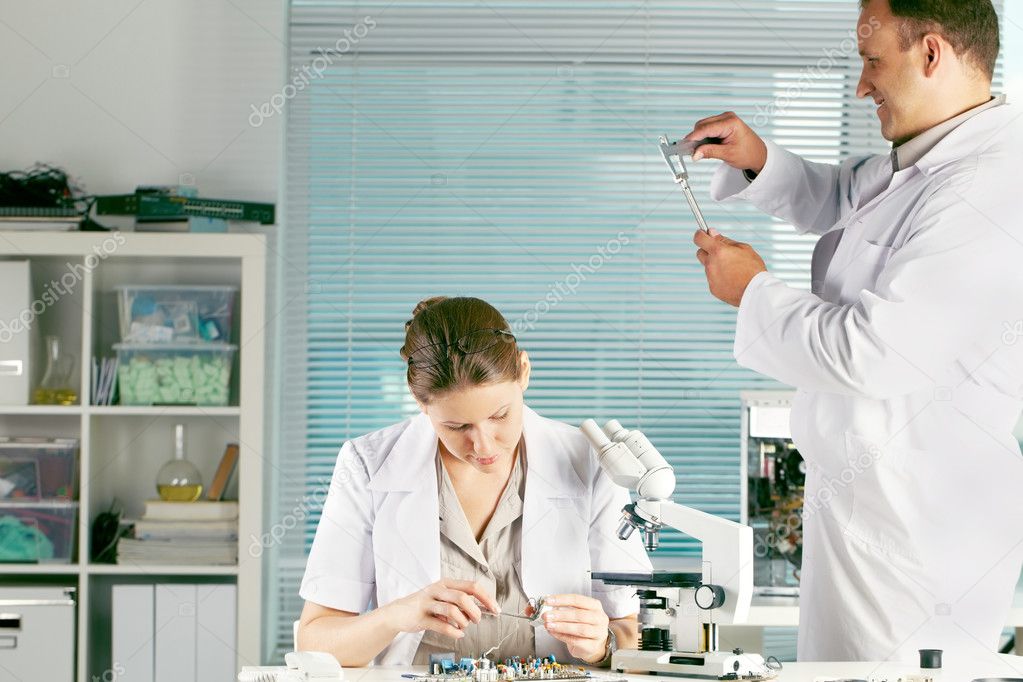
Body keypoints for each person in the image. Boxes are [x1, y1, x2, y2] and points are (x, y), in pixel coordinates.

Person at [684, 0, 1023, 664]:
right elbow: (849, 201)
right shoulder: (932, 154)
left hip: (913, 531)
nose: (861, 85)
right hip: (864, 506)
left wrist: (751, 291)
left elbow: (871, 353)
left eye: (872, 62)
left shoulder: (987, 187)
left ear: (931, 53)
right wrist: (758, 160)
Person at [296, 296, 651, 666]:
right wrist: (395, 615)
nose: (483, 445)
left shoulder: (588, 462)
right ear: (420, 402)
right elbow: (316, 640)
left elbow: (634, 629)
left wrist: (602, 643)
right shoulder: (368, 465)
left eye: (499, 415)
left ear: (524, 371)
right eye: (457, 426)